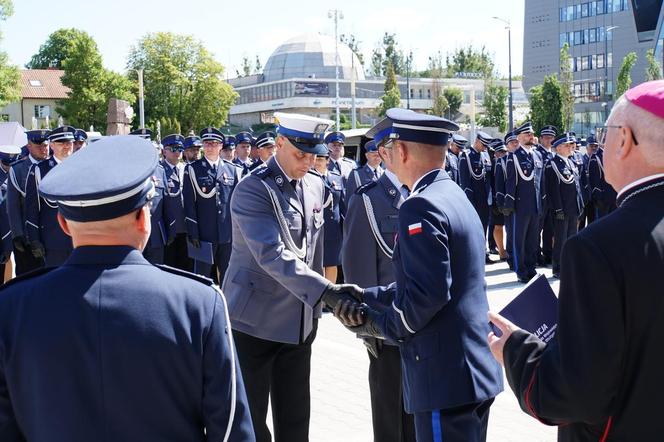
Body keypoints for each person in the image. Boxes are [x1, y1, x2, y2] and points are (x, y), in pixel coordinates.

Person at [0, 135, 254, 441]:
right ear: (144, 219)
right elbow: (229, 430)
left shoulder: (13, 308)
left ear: (64, 224)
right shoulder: (200, 304)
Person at [488, 79, 664, 442]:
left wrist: (515, 350)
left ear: (625, 140)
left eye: (606, 133)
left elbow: (576, 393)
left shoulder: (597, 248)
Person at [336, 109, 503, 442]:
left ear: (402, 151)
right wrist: (369, 296)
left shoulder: (420, 205)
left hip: (442, 377)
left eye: (392, 145)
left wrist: (377, 325)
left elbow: (428, 295)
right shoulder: (453, 194)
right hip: (471, 370)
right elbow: (432, 277)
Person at [222, 112, 363, 442]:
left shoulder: (315, 184)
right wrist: (326, 292)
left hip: (299, 321)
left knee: (295, 419)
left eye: (313, 155)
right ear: (279, 143)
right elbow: (271, 254)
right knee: (251, 423)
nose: (307, 162)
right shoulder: (252, 190)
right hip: (253, 322)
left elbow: (312, 250)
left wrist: (316, 305)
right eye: (300, 154)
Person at [341, 138, 415, 442]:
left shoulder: (423, 193)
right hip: (389, 327)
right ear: (385, 153)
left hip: (423, 324)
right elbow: (358, 270)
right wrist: (369, 327)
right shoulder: (369, 199)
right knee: (391, 416)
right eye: (402, 147)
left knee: (417, 418)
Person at [183, 128, 241, 283]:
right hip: (204, 234)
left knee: (228, 276)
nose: (210, 147)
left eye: (213, 144)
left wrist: (237, 231)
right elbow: (189, 204)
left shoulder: (231, 169)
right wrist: (193, 232)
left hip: (226, 234)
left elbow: (236, 203)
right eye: (207, 144)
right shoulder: (193, 169)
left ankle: (227, 305)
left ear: (220, 146)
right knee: (202, 277)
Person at [24, 126, 76, 267]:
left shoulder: (81, 167)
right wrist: (34, 239)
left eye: (69, 142)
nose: (67, 146)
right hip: (54, 241)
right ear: (52, 145)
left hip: (81, 239)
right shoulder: (40, 170)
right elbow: (32, 207)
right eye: (61, 143)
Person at [503, 122, 544, 283]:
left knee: (533, 239)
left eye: (532, 133)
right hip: (520, 205)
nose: (530, 136)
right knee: (519, 239)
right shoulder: (513, 157)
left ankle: (531, 267)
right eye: (527, 134)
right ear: (518, 137)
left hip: (535, 204)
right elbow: (511, 183)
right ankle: (521, 271)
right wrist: (509, 204)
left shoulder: (537, 155)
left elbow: (541, 183)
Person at [7, 130, 49, 275]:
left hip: (50, 232)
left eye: (46, 145)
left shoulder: (53, 166)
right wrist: (17, 234)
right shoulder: (18, 169)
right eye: (39, 146)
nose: (44, 149)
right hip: (27, 233)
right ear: (29, 146)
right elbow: (13, 206)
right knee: (27, 276)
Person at [544, 133, 584, 279]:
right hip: (562, 210)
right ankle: (558, 268)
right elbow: (553, 189)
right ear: (559, 148)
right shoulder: (552, 164)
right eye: (567, 146)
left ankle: (570, 266)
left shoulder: (571, 163)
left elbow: (577, 187)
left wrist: (580, 206)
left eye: (570, 145)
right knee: (561, 240)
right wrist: (558, 209)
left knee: (572, 239)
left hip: (573, 208)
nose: (570, 148)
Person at [458, 131, 493, 263]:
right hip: (473, 200)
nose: (485, 148)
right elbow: (465, 182)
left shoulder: (485, 156)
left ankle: (483, 253)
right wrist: (470, 202)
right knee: (474, 229)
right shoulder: (466, 156)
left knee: (483, 227)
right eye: (483, 145)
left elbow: (488, 178)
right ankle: (474, 255)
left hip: (484, 199)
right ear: (477, 141)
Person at [313, 147, 344, 283]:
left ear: (327, 161)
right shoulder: (307, 178)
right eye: (316, 159)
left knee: (332, 263)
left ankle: (330, 300)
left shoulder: (337, 178)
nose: (317, 162)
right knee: (316, 264)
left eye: (320, 159)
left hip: (333, 229)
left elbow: (343, 204)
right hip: (315, 227)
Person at [536, 125, 556, 266]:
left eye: (551, 138)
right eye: (546, 137)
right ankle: (536, 255)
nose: (549, 140)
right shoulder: (537, 154)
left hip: (552, 198)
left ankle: (548, 253)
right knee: (537, 229)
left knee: (550, 228)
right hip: (541, 197)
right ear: (541, 139)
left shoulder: (554, 154)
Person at [0, 144, 20, 280]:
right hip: (4, 233)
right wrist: (7, 242)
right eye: (6, 163)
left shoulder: (20, 173)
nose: (9, 166)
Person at [588, 133, 617, 219]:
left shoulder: (615, 155)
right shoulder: (596, 157)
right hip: (603, 197)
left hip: (614, 196)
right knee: (602, 224)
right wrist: (597, 197)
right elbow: (594, 179)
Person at [490, 140, 509, 262]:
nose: (503, 154)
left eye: (504, 151)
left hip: (508, 199)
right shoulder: (491, 164)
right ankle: (501, 252)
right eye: (500, 152)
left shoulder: (507, 162)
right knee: (498, 225)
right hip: (495, 199)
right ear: (495, 153)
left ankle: (505, 250)